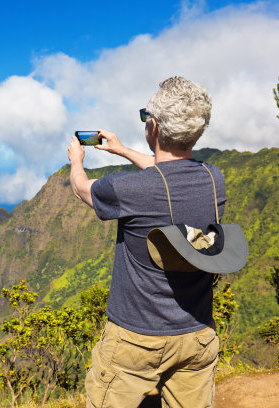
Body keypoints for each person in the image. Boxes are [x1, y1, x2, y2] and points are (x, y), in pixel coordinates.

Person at [67, 76, 225, 408]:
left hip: (136, 341)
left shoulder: (129, 189)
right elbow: (168, 172)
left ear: (153, 127)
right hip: (198, 334)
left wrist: (76, 163)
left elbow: (83, 188)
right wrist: (122, 150)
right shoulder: (214, 180)